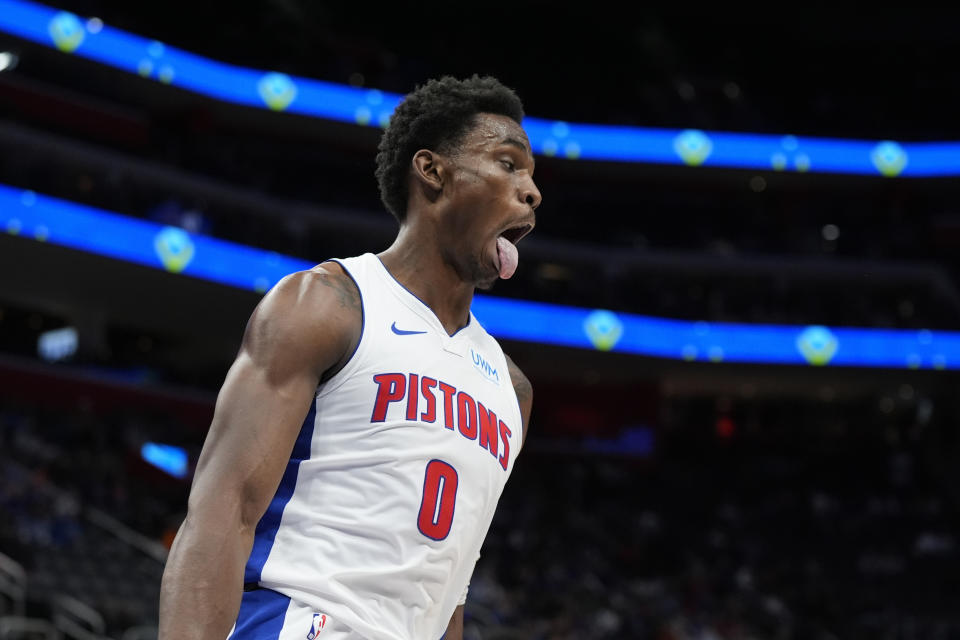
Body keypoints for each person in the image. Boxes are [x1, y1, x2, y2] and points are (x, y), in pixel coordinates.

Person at [158, 75, 541, 640]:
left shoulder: (513, 391)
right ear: (431, 171)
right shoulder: (327, 304)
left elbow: (448, 595)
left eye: (532, 176)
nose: (531, 190)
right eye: (509, 164)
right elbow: (222, 512)